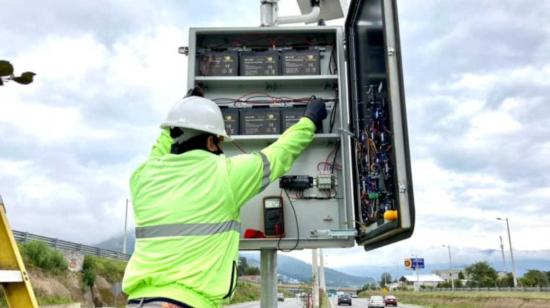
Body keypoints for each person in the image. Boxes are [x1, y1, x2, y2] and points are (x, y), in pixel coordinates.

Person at [122, 88, 327, 308]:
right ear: (211, 142)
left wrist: (185, 111)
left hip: (138, 302)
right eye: (219, 141)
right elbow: (281, 153)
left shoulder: (142, 177)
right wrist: (310, 120)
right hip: (188, 303)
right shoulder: (226, 175)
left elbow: (161, 150)